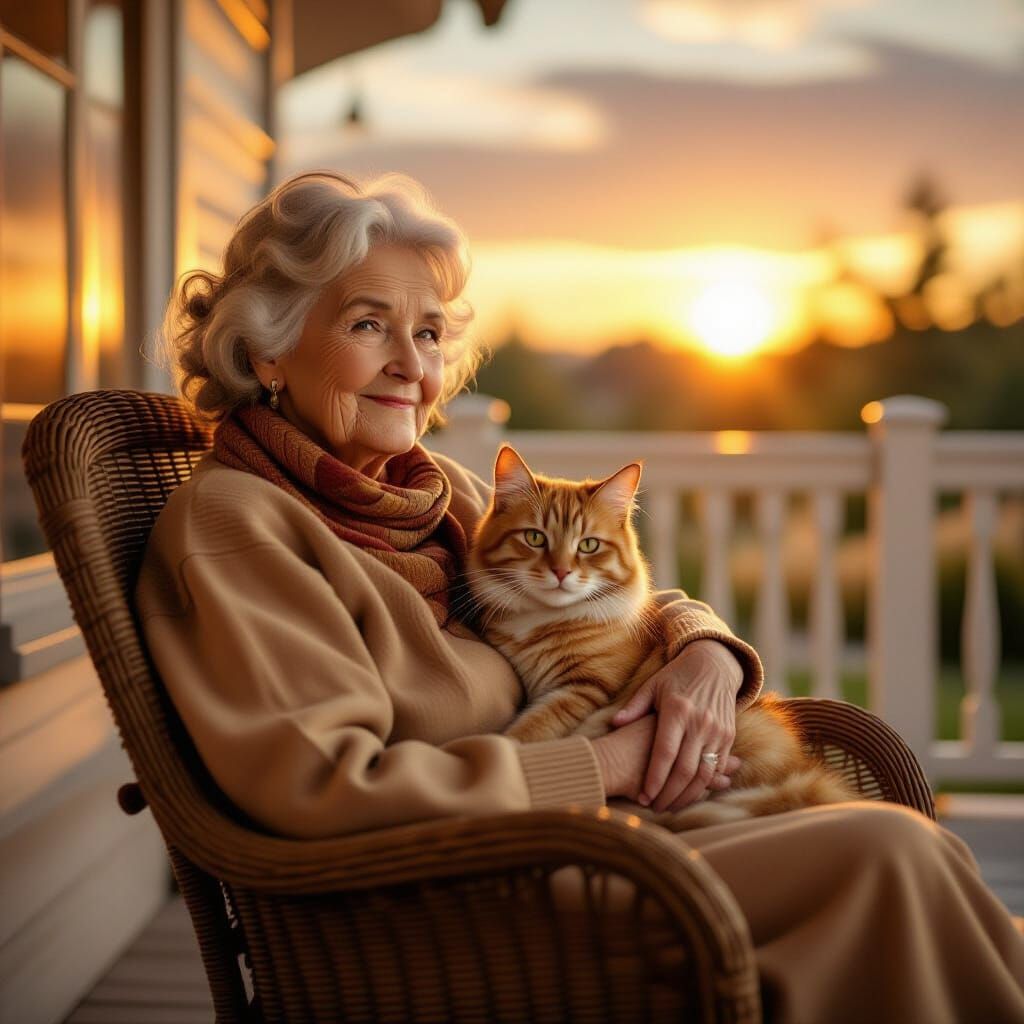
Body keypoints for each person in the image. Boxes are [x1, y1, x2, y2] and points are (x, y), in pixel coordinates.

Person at [136, 170, 1024, 1022]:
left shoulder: (428, 489)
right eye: (371, 325)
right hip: (448, 899)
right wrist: (607, 766)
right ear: (268, 350)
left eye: (432, 333)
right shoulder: (237, 527)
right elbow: (331, 790)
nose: (413, 364)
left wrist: (702, 651)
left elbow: (605, 590)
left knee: (919, 853)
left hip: (579, 837)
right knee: (886, 855)